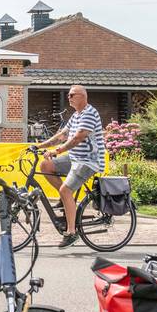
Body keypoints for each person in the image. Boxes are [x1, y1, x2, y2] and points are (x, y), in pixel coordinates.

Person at [35, 85, 105, 248]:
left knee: (65, 190)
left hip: (88, 160)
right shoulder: (76, 115)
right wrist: (40, 146)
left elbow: (77, 138)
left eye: (72, 94)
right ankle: (66, 200)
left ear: (82, 96)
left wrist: (57, 151)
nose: (69, 97)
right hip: (74, 158)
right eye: (68, 95)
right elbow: (63, 135)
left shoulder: (89, 113)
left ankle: (72, 233)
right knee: (46, 165)